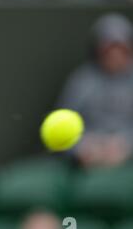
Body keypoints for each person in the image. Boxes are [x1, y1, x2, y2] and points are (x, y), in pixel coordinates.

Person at [57, 13, 133, 168]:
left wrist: (125, 145)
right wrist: (82, 147)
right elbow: (63, 127)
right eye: (109, 49)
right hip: (87, 162)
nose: (115, 55)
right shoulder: (81, 81)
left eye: (121, 49)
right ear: (98, 50)